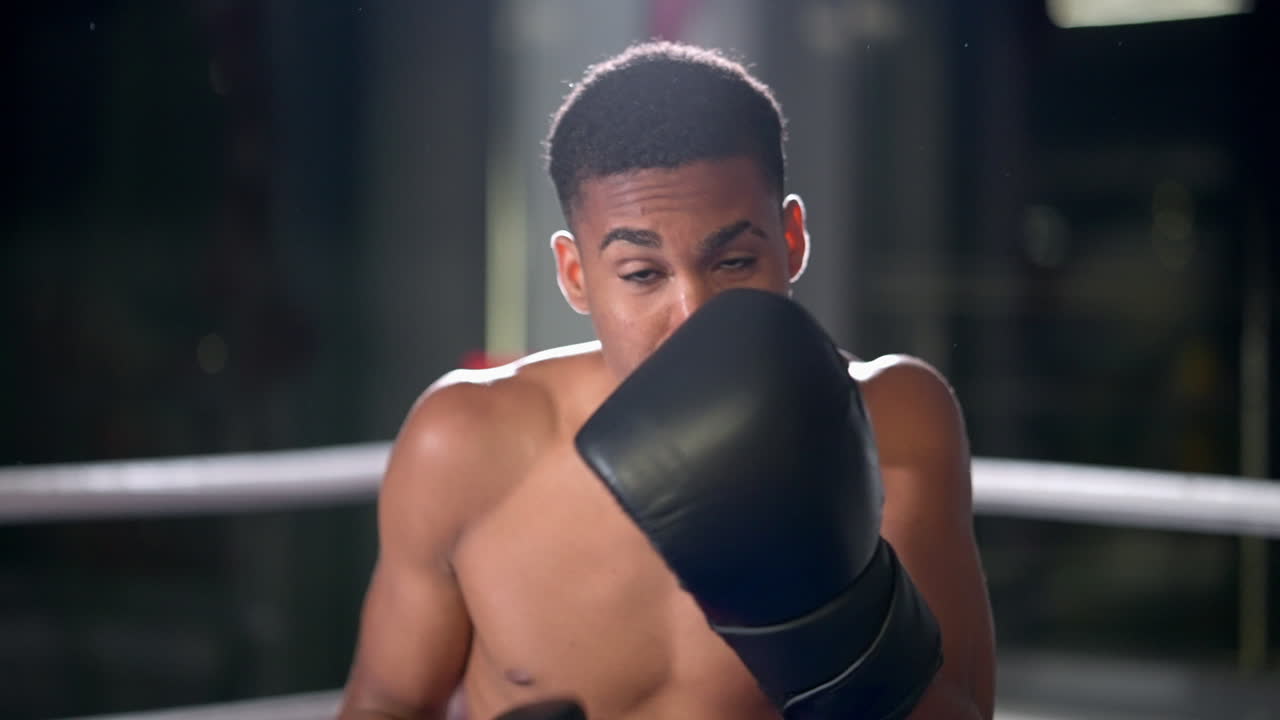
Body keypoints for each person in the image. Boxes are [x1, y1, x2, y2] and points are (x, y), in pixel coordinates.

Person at [339, 42, 995, 720]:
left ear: (792, 239)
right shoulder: (463, 442)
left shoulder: (895, 421)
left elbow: (964, 709)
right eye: (643, 275)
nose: (694, 315)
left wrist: (831, 623)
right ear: (574, 274)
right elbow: (386, 701)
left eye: (735, 261)